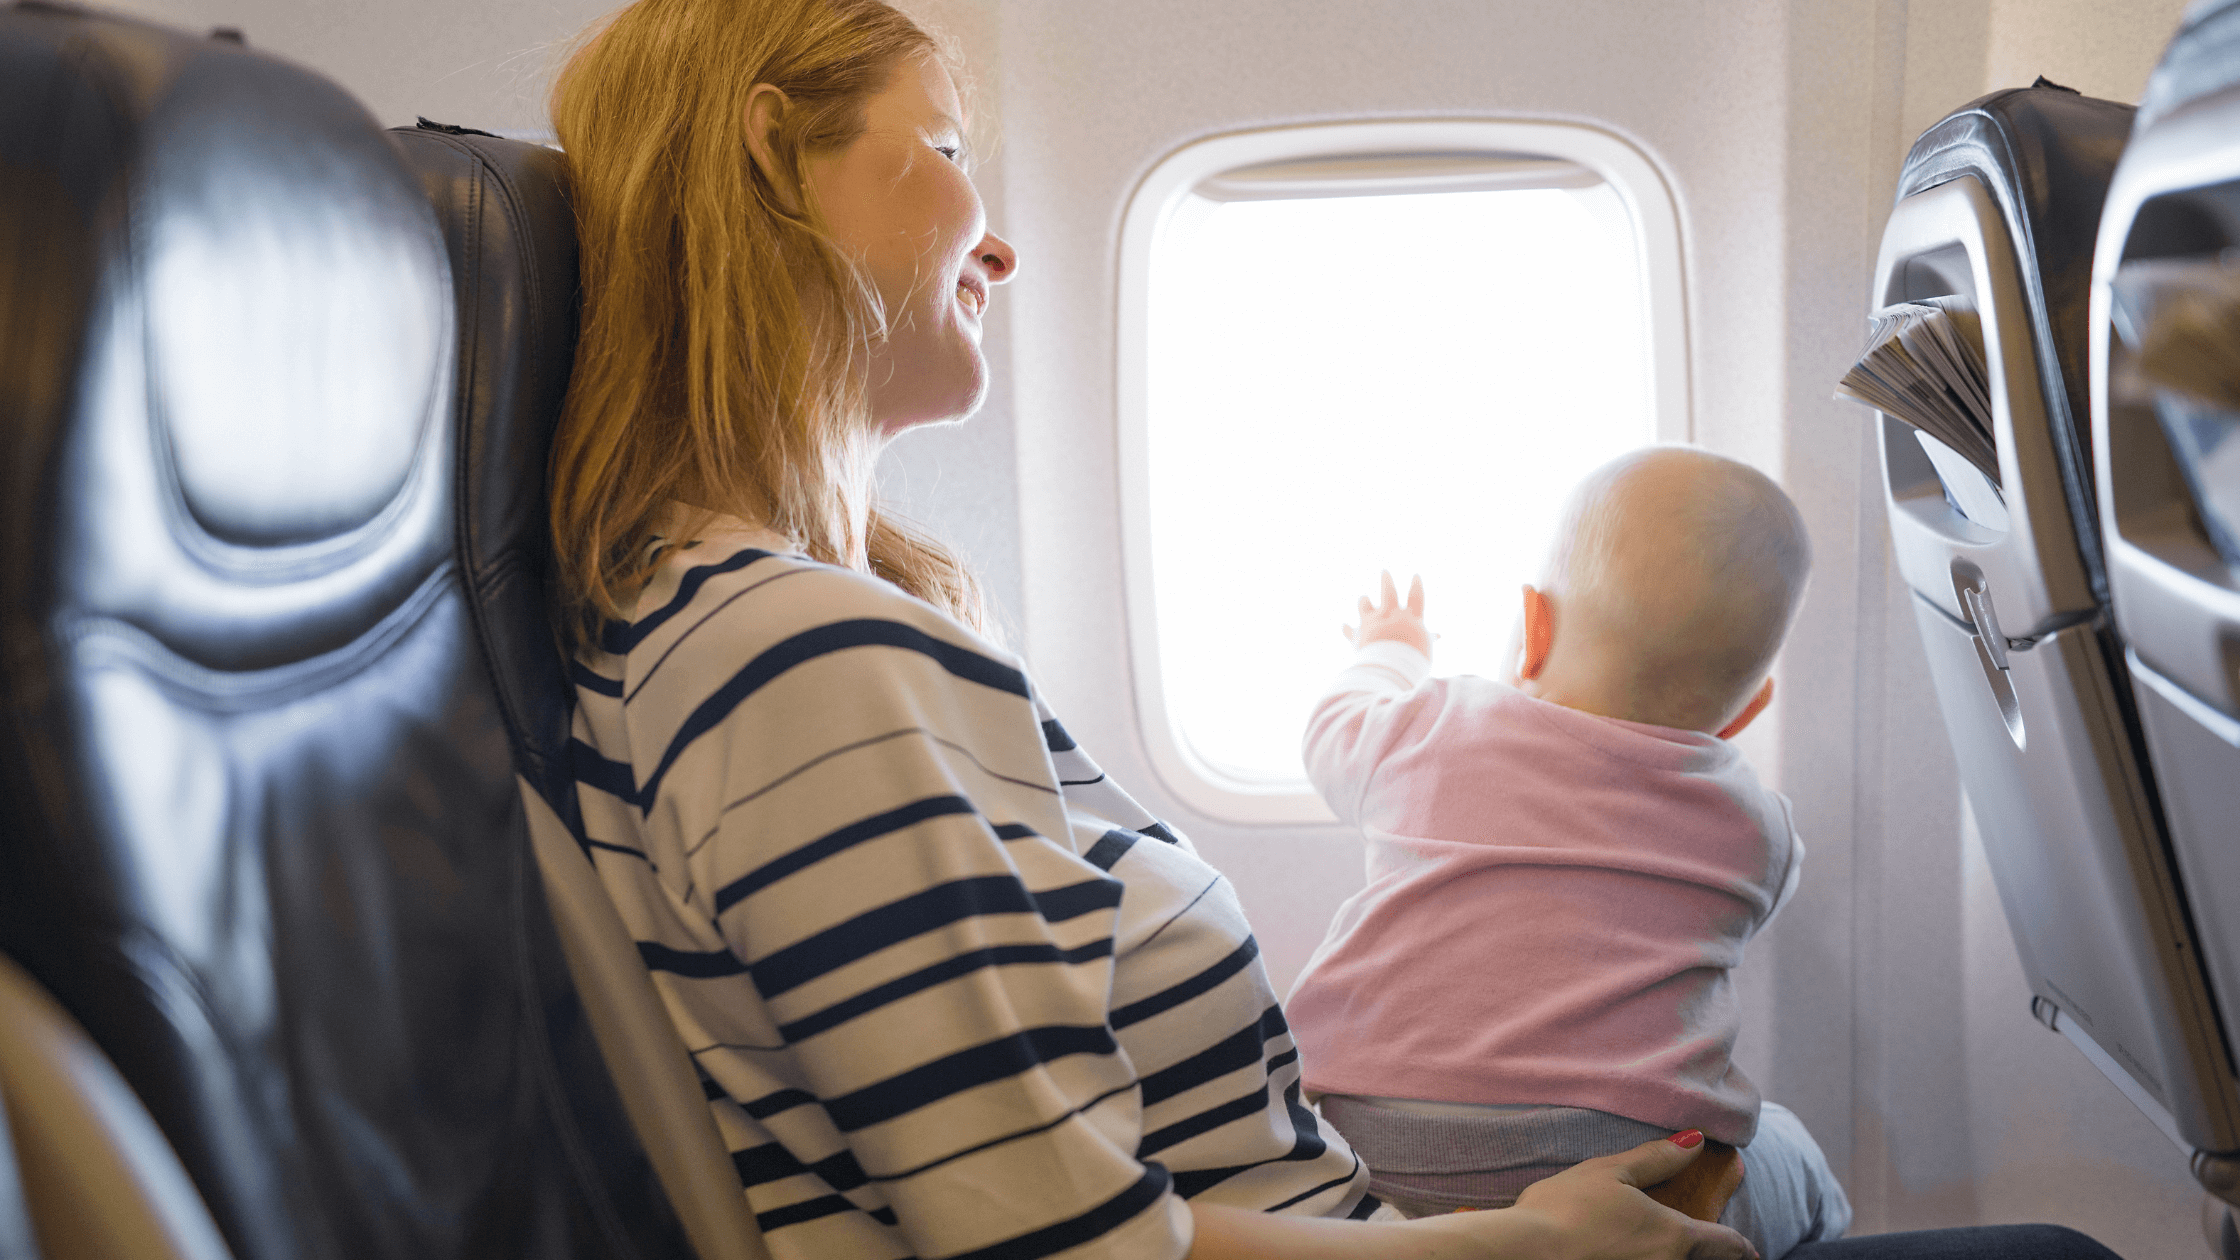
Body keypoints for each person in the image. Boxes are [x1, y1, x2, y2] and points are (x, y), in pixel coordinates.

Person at [541, 2, 2129, 1258]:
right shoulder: (802, 663)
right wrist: (1518, 1247)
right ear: (771, 161)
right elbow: (1060, 1249)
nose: (1005, 242)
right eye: (944, 146)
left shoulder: (760, 629)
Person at [1288, 449, 1847, 1257]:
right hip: (1637, 1175)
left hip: (1366, 1147)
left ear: (1534, 627)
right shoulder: (1761, 831)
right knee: (1792, 1152)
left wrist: (1394, 647)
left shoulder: (1432, 726)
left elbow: (1331, 727)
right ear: (1749, 707)